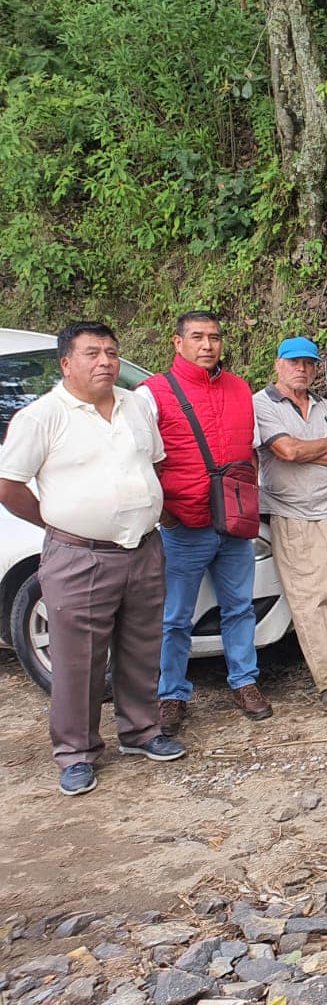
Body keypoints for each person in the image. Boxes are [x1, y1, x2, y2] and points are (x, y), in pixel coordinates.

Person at [0, 322, 185, 796]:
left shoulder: (137, 407)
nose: (104, 361)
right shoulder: (42, 417)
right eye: (91, 353)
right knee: (79, 660)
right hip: (79, 556)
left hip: (143, 548)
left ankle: (142, 732)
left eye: (110, 351)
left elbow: (154, 465)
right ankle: (77, 752)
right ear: (67, 363)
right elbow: (9, 486)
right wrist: (58, 523)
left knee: (143, 647)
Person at [137, 310, 270, 735]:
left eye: (214, 337)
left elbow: (249, 452)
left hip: (233, 522)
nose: (207, 345)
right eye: (197, 337)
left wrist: (247, 499)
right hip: (183, 526)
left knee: (239, 608)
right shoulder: (153, 393)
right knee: (175, 617)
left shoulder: (239, 388)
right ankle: (172, 693)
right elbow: (140, 462)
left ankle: (245, 682)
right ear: (178, 343)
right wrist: (165, 514)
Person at [254, 337, 327, 712]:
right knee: (311, 598)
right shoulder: (261, 404)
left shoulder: (325, 405)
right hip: (295, 514)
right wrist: (322, 444)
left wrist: (306, 449)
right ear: (278, 364)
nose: (302, 368)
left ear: (316, 368)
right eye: (294, 362)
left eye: (309, 363)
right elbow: (286, 451)